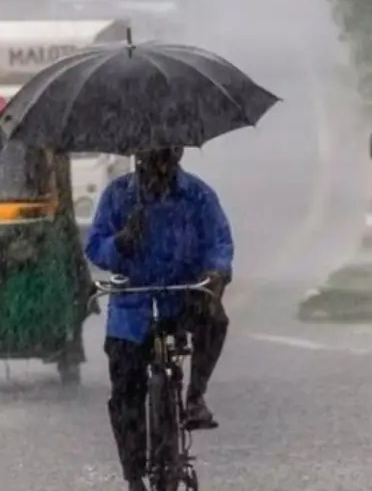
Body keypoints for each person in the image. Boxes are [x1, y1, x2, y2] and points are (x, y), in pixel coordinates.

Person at [84, 146, 233, 490]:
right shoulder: (117, 196)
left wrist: (216, 272)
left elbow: (220, 241)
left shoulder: (197, 194)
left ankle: (195, 397)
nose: (159, 169)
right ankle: (133, 474)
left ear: (178, 154)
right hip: (132, 307)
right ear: (138, 158)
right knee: (125, 393)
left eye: (167, 158)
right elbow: (95, 246)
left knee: (215, 320)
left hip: (182, 296)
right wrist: (121, 243)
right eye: (152, 160)